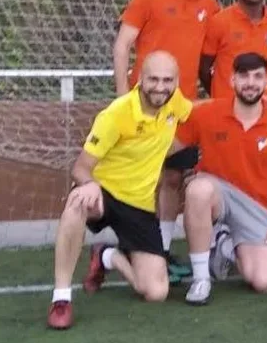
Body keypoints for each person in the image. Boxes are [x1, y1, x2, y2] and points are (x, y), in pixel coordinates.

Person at [112, 0, 267, 280]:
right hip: (144, 104)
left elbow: (219, 49)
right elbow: (122, 45)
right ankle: (126, 248)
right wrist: (122, 97)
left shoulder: (210, 6)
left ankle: (159, 251)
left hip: (183, 108)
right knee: (139, 179)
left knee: (174, 178)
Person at [47, 51, 192, 330]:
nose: (160, 87)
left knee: (156, 292)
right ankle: (61, 299)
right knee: (76, 202)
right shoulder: (116, 114)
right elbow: (80, 168)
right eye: (153, 79)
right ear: (139, 78)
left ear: (176, 82)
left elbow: (200, 111)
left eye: (167, 80)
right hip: (104, 194)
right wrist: (88, 185)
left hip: (139, 205)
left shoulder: (176, 103)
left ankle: (106, 256)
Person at [175, 53, 267, 305]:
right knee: (198, 190)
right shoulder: (208, 113)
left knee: (265, 282)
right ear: (232, 80)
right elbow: (166, 148)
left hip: (254, 205)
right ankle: (201, 279)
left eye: (257, 77)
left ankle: (224, 244)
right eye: (243, 76)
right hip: (216, 191)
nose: (250, 83)